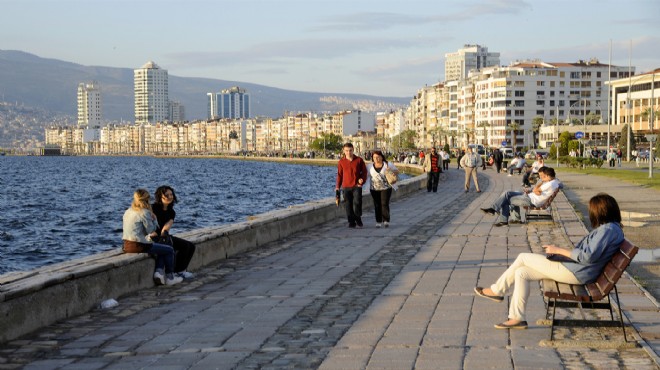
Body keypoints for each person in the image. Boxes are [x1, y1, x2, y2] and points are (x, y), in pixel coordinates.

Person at [474, 193, 624, 329]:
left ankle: (496, 290)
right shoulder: (611, 229)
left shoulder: (608, 230)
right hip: (577, 270)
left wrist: (558, 251)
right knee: (521, 272)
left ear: (600, 212)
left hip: (576, 273)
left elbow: (588, 256)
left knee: (523, 257)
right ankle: (516, 318)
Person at [122, 188, 183, 286]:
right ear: (146, 200)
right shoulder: (144, 212)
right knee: (169, 250)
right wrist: (154, 219)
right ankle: (170, 277)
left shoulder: (128, 211)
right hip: (139, 245)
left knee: (161, 247)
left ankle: (158, 272)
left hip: (126, 245)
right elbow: (151, 231)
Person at [481, 166, 560, 226]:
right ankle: (495, 210)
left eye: (544, 177)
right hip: (529, 196)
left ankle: (502, 219)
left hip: (530, 200)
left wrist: (538, 186)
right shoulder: (554, 182)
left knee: (506, 199)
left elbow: (536, 190)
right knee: (507, 193)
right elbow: (536, 191)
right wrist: (536, 188)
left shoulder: (550, 183)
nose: (543, 178)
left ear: (548, 176)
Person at [152, 186, 196, 279]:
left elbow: (166, 228)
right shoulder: (153, 208)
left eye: (171, 194)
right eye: (166, 195)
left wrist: (164, 235)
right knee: (178, 246)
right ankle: (175, 273)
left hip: (163, 236)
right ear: (160, 197)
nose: (169, 197)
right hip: (152, 236)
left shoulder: (171, 212)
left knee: (190, 246)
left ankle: (180, 271)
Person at [336, 142, 368, 228]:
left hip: (356, 186)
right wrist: (337, 187)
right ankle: (351, 222)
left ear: (353, 150)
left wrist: (362, 180)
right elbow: (339, 175)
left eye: (350, 150)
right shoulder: (341, 162)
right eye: (346, 151)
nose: (348, 152)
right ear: (344, 151)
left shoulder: (359, 160)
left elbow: (364, 172)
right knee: (348, 205)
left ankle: (358, 217)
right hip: (346, 186)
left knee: (357, 202)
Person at [367, 150, 398, 228]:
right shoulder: (369, 166)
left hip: (386, 188)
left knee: (384, 204)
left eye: (378, 157)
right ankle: (378, 221)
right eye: (374, 157)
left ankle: (386, 220)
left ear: (381, 157)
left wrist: (391, 171)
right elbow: (366, 175)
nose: (376, 159)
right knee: (377, 205)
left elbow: (397, 171)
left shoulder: (387, 164)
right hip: (374, 188)